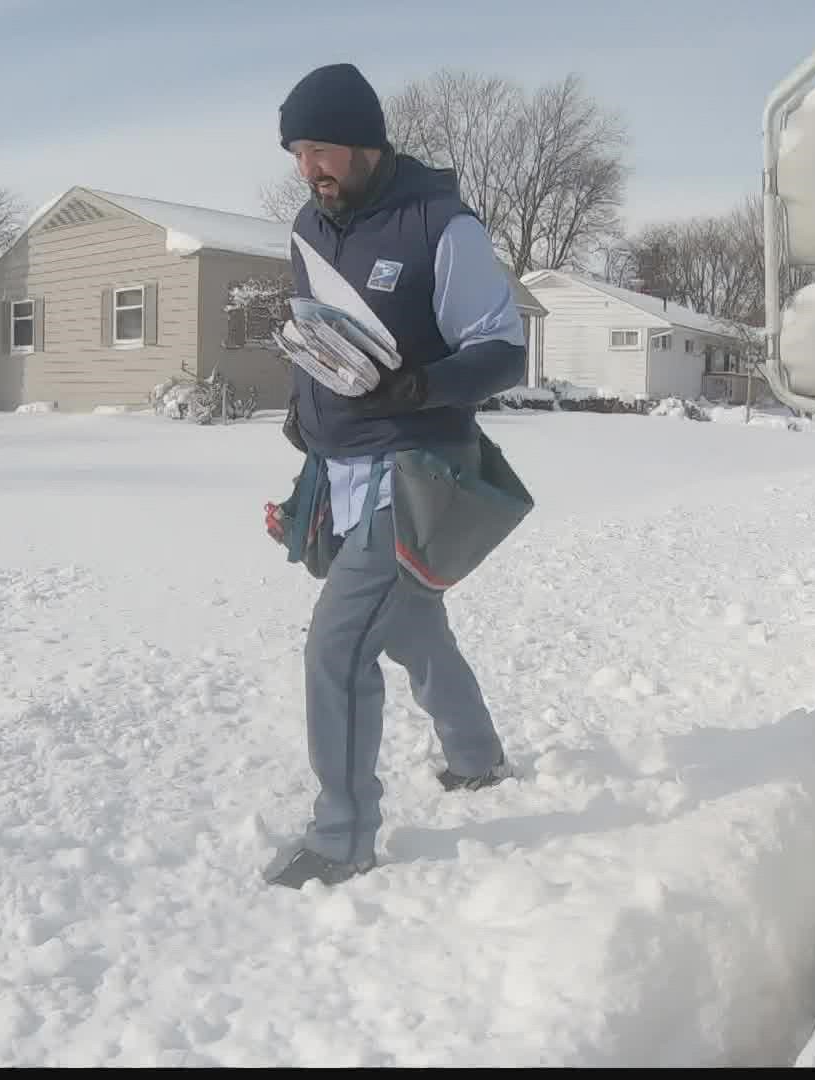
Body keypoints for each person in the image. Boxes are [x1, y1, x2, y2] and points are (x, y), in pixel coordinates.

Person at [261, 62, 529, 890]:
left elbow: (503, 347)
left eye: (322, 149)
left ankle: (342, 837)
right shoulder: (311, 226)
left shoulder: (439, 225)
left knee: (338, 646)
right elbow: (321, 338)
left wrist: (423, 385)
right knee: (410, 624)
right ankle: (477, 758)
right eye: (298, 152)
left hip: (414, 471)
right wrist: (305, 417)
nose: (310, 167)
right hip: (339, 466)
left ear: (367, 142)